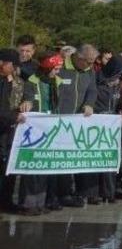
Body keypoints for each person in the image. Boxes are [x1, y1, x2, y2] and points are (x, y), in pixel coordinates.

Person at [18, 53, 64, 215]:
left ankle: (41, 201)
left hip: (51, 128)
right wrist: (27, 101)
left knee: (45, 167)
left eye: (59, 69)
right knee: (33, 167)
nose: (57, 72)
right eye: (55, 69)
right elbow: (28, 97)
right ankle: (28, 203)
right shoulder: (32, 81)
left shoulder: (57, 82)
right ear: (47, 67)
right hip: (35, 128)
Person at [54, 44, 98, 207]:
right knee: (58, 159)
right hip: (58, 121)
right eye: (89, 62)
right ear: (79, 59)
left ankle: (68, 192)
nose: (91, 65)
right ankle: (57, 194)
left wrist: (89, 104)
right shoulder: (62, 67)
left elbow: (92, 90)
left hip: (76, 123)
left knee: (70, 158)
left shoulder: (89, 71)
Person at [93, 55, 122, 203]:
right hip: (95, 127)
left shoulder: (117, 86)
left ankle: (109, 192)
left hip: (112, 129)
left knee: (111, 160)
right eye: (117, 75)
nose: (119, 78)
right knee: (95, 161)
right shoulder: (96, 82)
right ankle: (93, 193)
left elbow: (118, 103)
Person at [0, 49, 26, 213]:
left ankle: (6, 201)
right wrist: (13, 117)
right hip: (5, 123)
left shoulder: (14, 82)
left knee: (7, 167)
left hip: (7, 132)